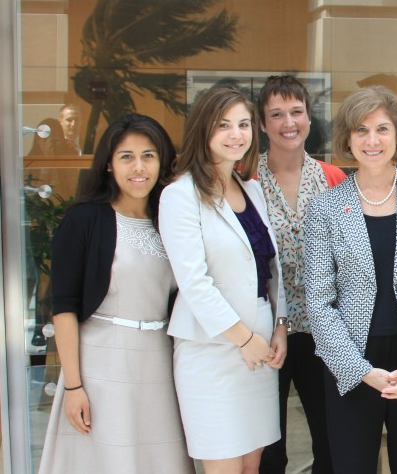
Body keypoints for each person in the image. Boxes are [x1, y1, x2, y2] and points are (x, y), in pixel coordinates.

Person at [304, 85, 397, 473]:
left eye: (382, 129)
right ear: (347, 138)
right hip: (353, 362)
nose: (372, 140)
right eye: (361, 130)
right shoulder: (324, 207)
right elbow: (319, 302)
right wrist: (359, 371)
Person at [39, 114, 194, 473]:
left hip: (159, 360)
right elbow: (64, 308)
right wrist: (74, 386)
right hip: (100, 363)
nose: (138, 167)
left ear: (162, 162)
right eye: (126, 156)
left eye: (148, 156)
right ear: (109, 164)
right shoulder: (84, 220)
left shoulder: (171, 217)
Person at [159, 86, 289, 474]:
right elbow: (194, 283)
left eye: (244, 124)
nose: (237, 134)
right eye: (224, 125)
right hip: (212, 351)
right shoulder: (179, 195)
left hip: (261, 347)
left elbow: (271, 269)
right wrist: (244, 339)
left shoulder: (251, 189)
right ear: (203, 129)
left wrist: (279, 326)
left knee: (252, 466)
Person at [255, 75, 345, 474]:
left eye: (296, 111)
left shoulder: (334, 179)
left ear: (309, 117)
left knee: (329, 437)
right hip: (263, 331)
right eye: (276, 114)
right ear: (262, 124)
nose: (288, 122)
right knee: (267, 443)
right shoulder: (245, 182)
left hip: (322, 329)